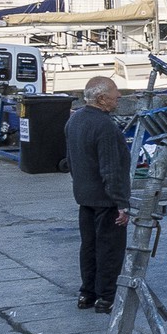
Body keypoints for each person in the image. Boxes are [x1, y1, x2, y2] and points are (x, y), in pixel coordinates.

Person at [66, 76, 131, 313]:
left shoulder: (74, 120)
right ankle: (106, 298)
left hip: (85, 197)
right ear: (102, 98)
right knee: (109, 249)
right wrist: (121, 203)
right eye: (115, 93)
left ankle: (87, 294)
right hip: (106, 200)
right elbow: (111, 170)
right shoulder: (105, 126)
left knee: (89, 246)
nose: (119, 96)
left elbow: (71, 161)